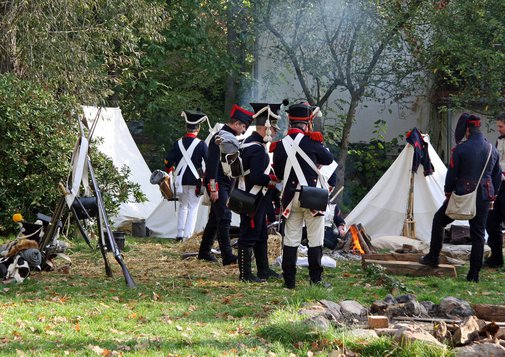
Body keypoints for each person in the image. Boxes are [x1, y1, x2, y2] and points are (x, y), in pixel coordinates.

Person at [420, 113, 501, 282]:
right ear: (478, 128)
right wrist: (492, 196)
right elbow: (496, 177)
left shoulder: (460, 149)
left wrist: (448, 193)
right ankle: (474, 274)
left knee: (439, 220)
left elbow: (452, 175)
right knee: (478, 235)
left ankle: (433, 257)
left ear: (467, 131)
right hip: (485, 195)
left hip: (463, 193)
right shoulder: (492, 149)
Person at [272, 102, 335, 289]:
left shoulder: (280, 145)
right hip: (312, 196)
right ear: (307, 123)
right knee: (316, 239)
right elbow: (328, 159)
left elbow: (279, 171)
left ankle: (289, 281)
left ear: (290, 122)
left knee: (291, 239)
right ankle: (315, 280)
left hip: (291, 197)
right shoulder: (312, 141)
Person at [197, 105, 253, 265]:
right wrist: (213, 188)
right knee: (225, 217)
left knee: (215, 219)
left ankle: (204, 252)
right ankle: (228, 256)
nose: (243, 130)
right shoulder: (221, 137)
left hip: (227, 184)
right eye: (243, 126)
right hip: (219, 183)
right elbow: (212, 164)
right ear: (236, 123)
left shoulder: (229, 137)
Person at [235, 102, 284, 282]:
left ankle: (263, 270)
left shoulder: (251, 144)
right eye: (274, 128)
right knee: (249, 236)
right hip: (253, 197)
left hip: (255, 197)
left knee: (261, 234)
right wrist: (273, 180)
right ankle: (245, 274)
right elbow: (256, 177)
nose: (276, 132)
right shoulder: (256, 148)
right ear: (266, 127)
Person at [164, 110, 209, 241]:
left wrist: (169, 171)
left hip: (180, 180)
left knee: (183, 206)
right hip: (195, 180)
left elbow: (168, 161)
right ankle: (188, 236)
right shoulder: (201, 144)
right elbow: (208, 162)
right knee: (193, 208)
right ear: (198, 128)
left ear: (186, 127)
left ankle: (179, 234)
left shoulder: (177, 143)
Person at [485, 113, 505, 268]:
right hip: (498, 186)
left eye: (501, 126)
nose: (499, 129)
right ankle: (496, 257)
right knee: (492, 222)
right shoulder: (499, 140)